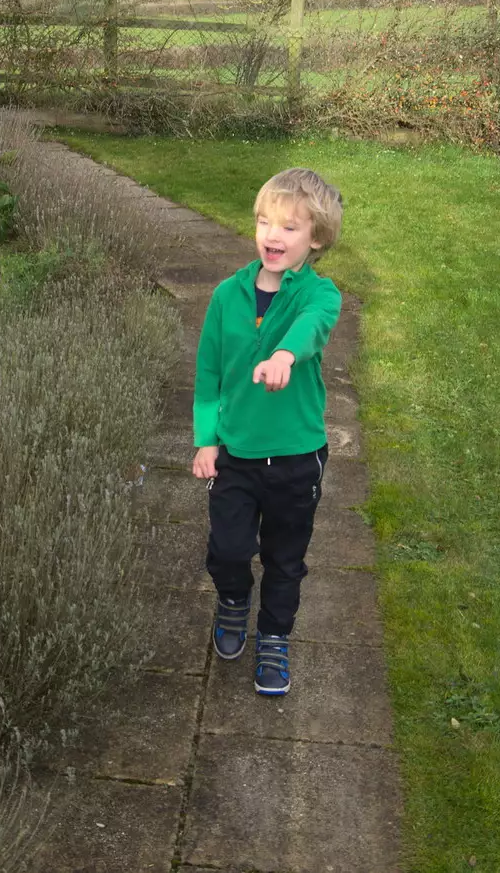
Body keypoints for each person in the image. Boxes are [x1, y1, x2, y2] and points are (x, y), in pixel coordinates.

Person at [192, 168, 344, 696]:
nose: (272, 236)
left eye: (289, 227)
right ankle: (234, 600)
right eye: (263, 222)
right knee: (229, 550)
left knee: (285, 557)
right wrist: (206, 439)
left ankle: (275, 635)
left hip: (297, 455)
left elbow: (311, 329)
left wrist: (284, 353)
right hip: (236, 453)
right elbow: (209, 371)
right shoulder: (226, 295)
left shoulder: (320, 296)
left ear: (316, 238)